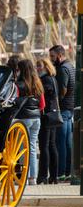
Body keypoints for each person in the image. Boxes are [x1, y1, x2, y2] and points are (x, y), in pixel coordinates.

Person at [16, 59, 45, 186]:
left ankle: (24, 177)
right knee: (32, 147)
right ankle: (33, 177)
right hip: (36, 118)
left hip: (23, 118)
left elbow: (14, 101)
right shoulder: (38, 83)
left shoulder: (19, 84)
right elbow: (42, 104)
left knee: (22, 148)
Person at [49, 45, 75, 181]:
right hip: (69, 108)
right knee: (67, 141)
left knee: (61, 141)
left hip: (64, 108)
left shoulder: (63, 68)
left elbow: (63, 89)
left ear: (60, 55)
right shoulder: (70, 66)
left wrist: (58, 101)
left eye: (52, 56)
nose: (51, 60)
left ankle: (61, 172)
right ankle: (68, 171)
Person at [36, 58, 60, 185]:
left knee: (44, 146)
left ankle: (43, 176)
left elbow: (41, 95)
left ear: (46, 66)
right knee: (51, 145)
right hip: (53, 114)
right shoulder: (53, 79)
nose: (37, 68)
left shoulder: (45, 80)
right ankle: (53, 176)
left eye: (39, 66)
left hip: (47, 115)